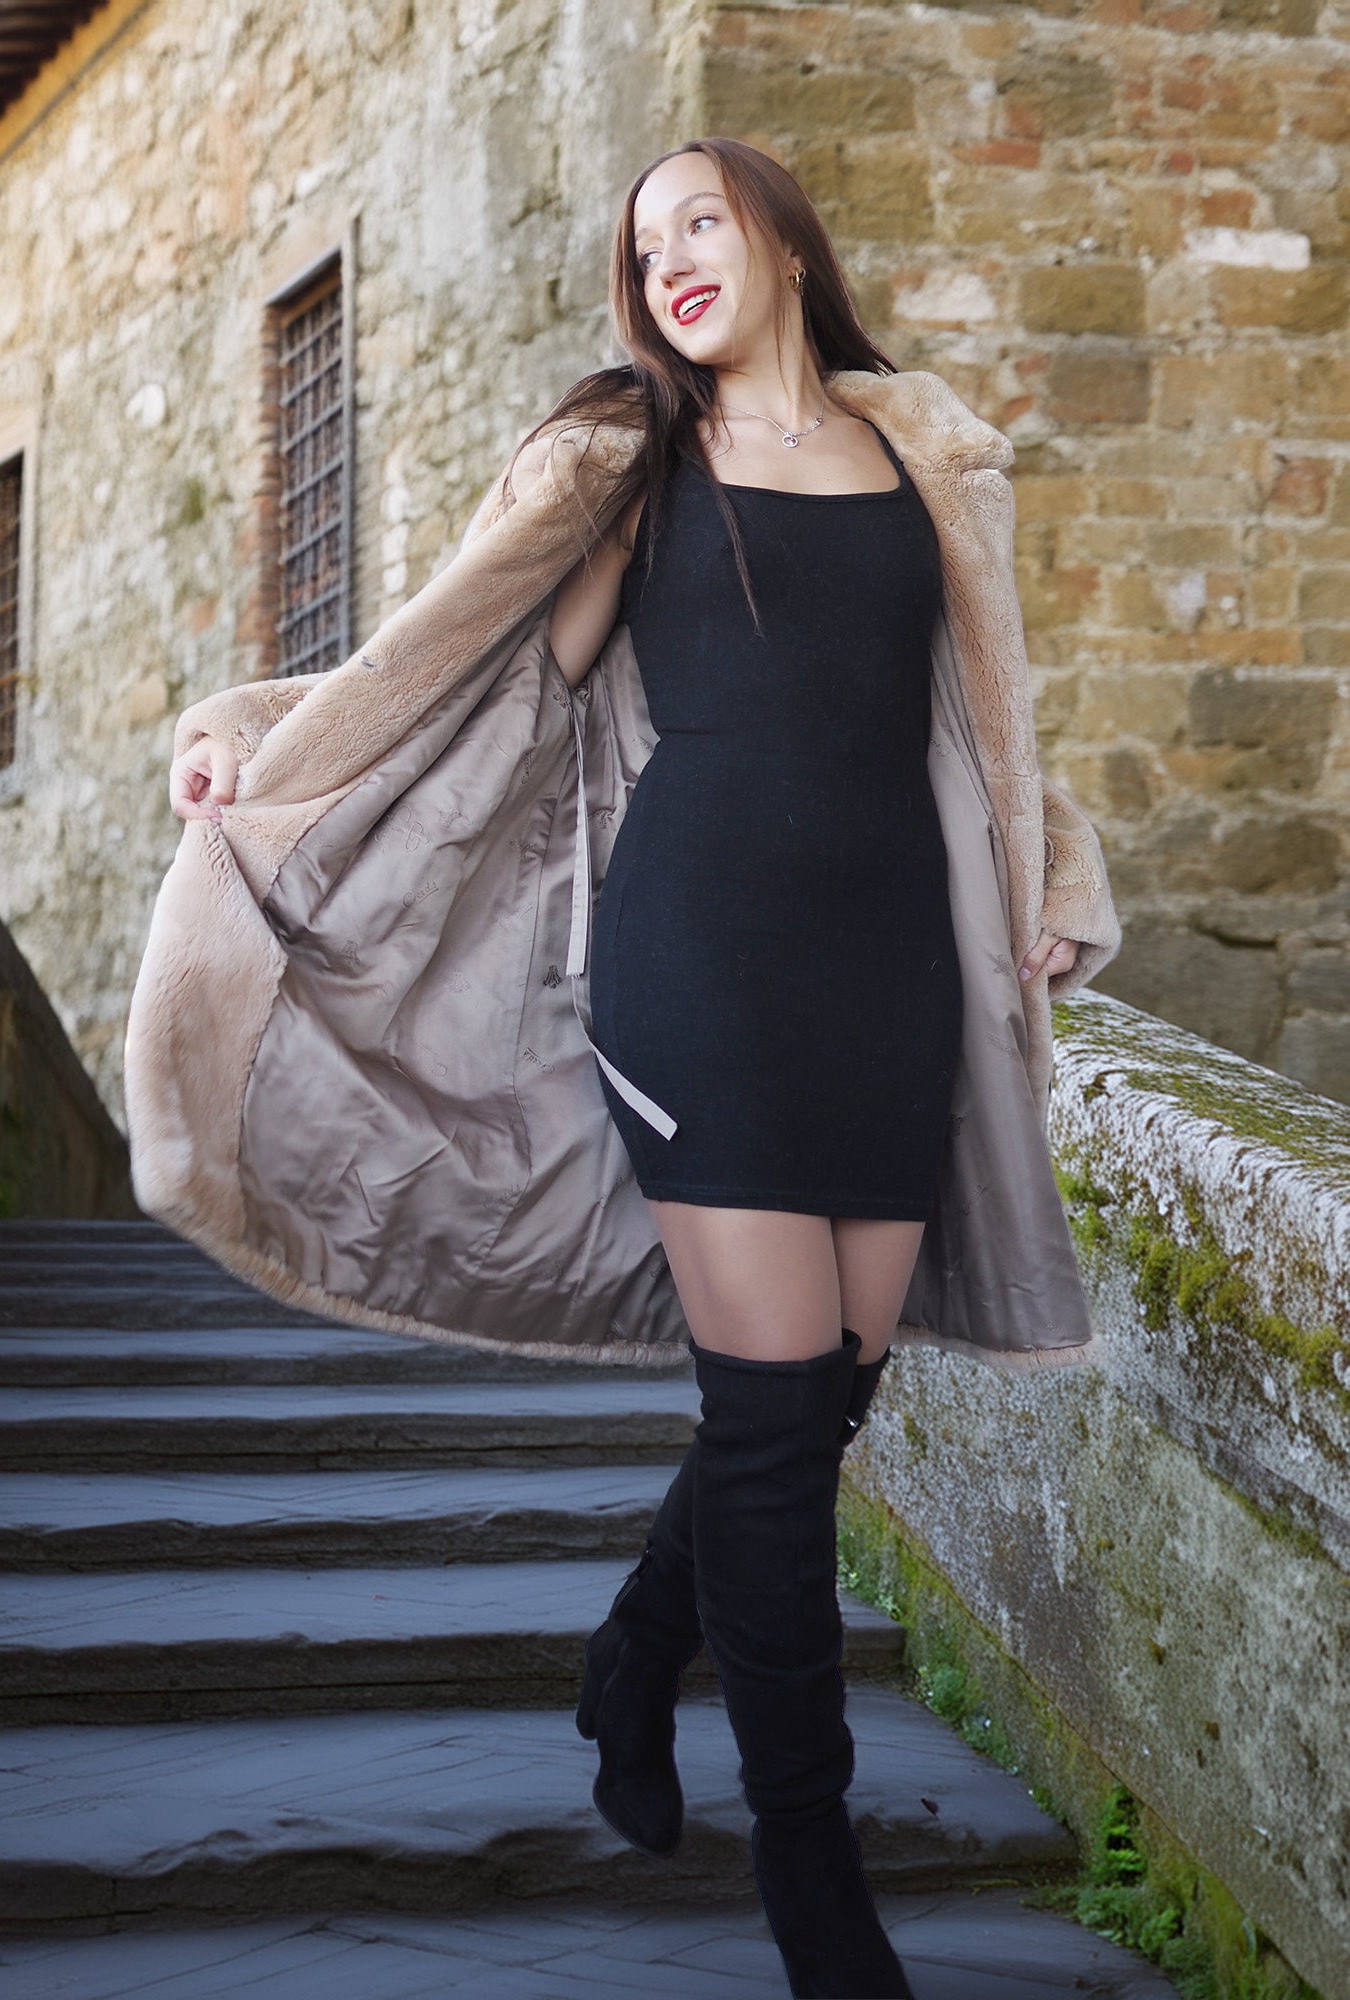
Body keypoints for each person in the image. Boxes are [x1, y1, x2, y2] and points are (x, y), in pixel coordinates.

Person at [168, 137, 1098, 2000]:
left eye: (700, 219)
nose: (667, 254)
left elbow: (973, 716)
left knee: (827, 1402)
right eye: (641, 238)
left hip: (892, 972)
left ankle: (628, 1656)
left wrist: (1056, 868)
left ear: (780, 241)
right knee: (769, 1429)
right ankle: (816, 1890)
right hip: (696, 973)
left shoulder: (923, 453)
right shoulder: (633, 462)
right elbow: (460, 652)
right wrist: (259, 735)